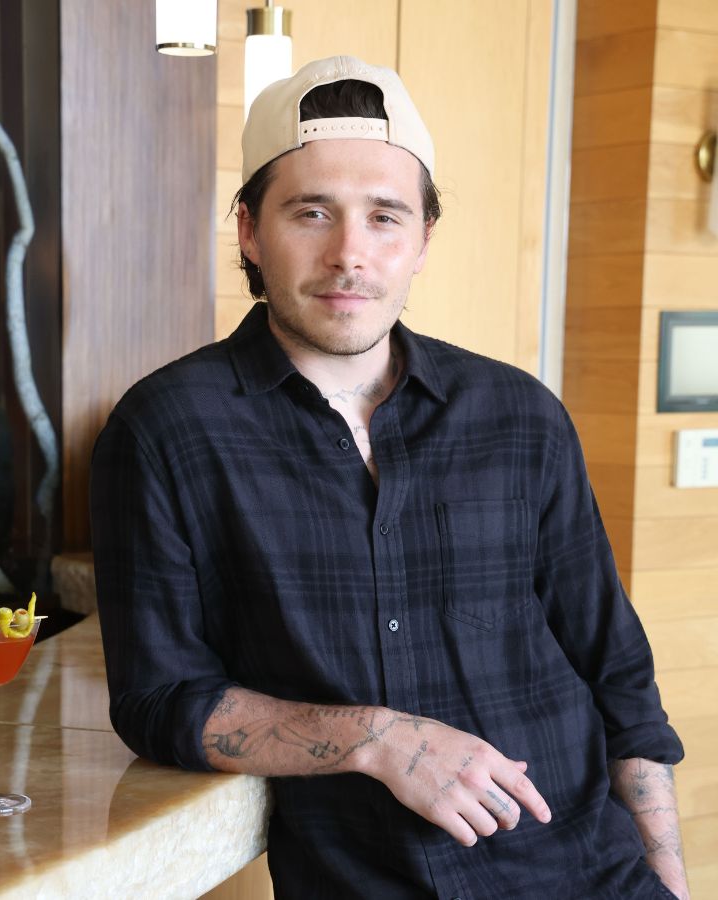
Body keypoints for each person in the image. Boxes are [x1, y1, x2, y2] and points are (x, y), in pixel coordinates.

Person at [89, 55, 688, 899]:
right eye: (312, 212)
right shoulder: (165, 430)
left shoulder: (521, 416)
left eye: (384, 217)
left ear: (423, 243)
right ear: (250, 232)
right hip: (370, 883)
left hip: (590, 873)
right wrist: (377, 737)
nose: (350, 255)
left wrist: (664, 879)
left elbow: (617, 675)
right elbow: (160, 701)